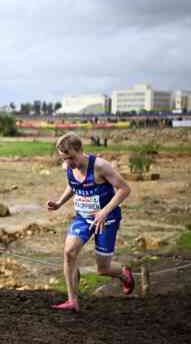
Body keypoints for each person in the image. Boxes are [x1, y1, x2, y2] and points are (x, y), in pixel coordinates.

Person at [47, 132, 134, 312]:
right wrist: (59, 203)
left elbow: (124, 189)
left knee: (103, 269)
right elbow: (73, 186)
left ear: (80, 150)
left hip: (106, 220)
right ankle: (72, 301)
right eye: (64, 159)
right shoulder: (69, 167)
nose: (68, 163)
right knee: (69, 253)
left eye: (70, 158)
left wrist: (104, 212)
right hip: (83, 218)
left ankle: (124, 274)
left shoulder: (100, 166)